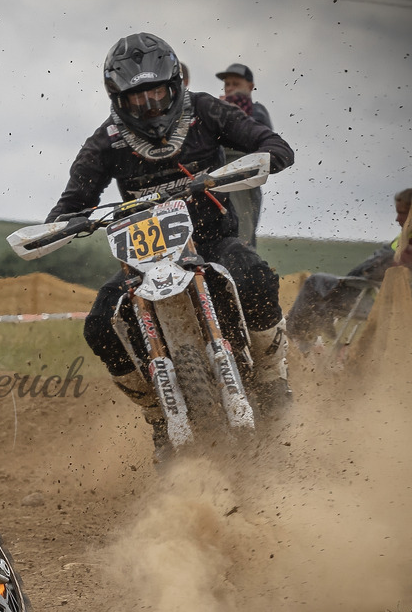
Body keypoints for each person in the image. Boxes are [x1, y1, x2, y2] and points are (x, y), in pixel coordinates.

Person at [44, 32, 295, 457]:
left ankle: (271, 376)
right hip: (144, 259)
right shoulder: (106, 140)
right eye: (137, 98)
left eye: (157, 92)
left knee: (254, 274)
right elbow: (70, 204)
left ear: (174, 84)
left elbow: (271, 143)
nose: (148, 105)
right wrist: (67, 224)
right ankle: (158, 417)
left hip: (213, 240)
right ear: (118, 98)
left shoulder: (206, 110)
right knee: (101, 325)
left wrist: (258, 161)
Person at [287, 187, 412, 349]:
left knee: (315, 283)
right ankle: (319, 343)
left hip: (375, 301)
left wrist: (351, 278)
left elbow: (375, 271)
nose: (397, 219)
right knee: (322, 302)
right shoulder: (403, 238)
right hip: (379, 300)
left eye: (402, 213)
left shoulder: (406, 246)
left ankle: (293, 339)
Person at [216, 63, 273, 246]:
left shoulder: (257, 112)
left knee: (242, 234)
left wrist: (233, 115)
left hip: (243, 181)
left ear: (250, 86)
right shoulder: (215, 110)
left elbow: (264, 138)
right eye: (227, 84)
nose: (230, 88)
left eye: (235, 83)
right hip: (216, 178)